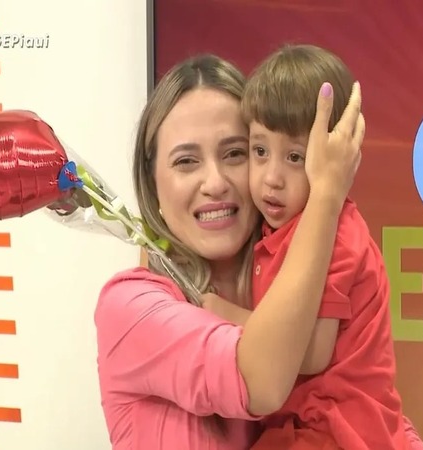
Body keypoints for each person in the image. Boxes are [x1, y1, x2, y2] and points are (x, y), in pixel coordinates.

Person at [94, 53, 364, 450]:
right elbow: (263, 379)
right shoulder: (130, 307)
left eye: (235, 153)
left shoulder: (300, 279)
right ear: (152, 184)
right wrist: (326, 196)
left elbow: (366, 401)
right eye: (186, 162)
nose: (215, 182)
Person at [199, 45, 423, 450]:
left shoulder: (336, 236)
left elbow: (312, 354)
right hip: (301, 423)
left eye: (295, 157)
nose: (271, 177)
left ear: (336, 158)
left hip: (342, 431)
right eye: (259, 150)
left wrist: (219, 312)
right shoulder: (274, 229)